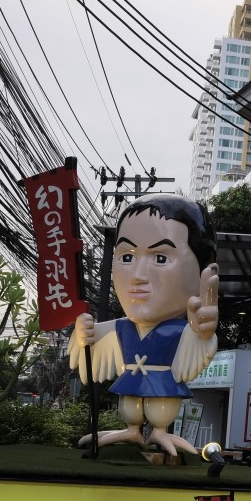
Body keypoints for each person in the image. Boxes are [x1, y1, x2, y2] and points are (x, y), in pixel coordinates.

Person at [69, 193, 219, 457]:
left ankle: (160, 430)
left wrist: (203, 333)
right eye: (127, 257)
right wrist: (84, 334)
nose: (137, 276)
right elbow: (91, 350)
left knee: (161, 406)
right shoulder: (121, 328)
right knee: (130, 403)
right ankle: (131, 429)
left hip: (163, 382)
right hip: (132, 377)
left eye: (160, 258)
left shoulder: (183, 330)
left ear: (203, 272)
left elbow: (199, 344)